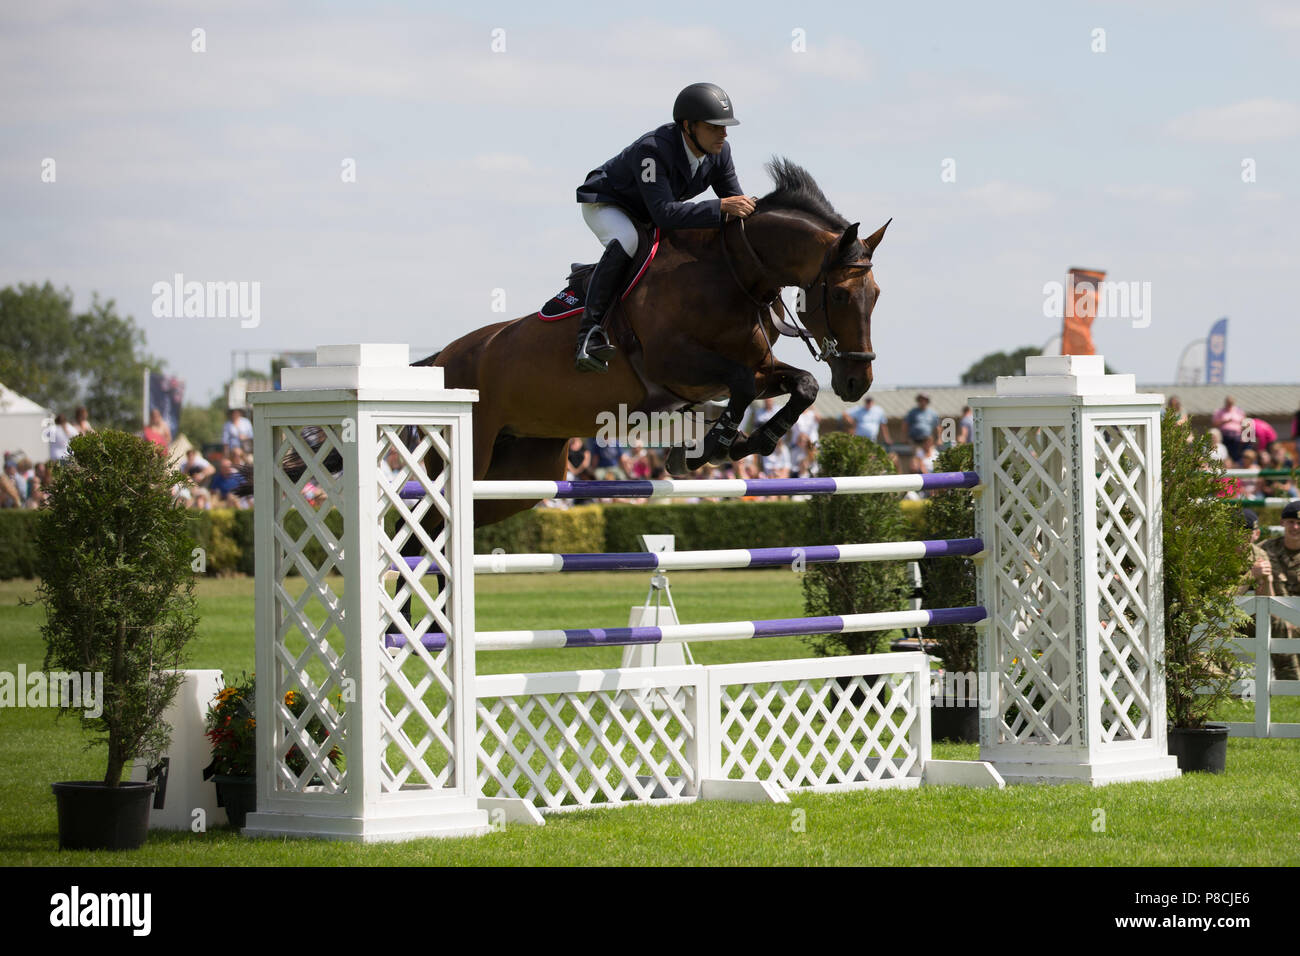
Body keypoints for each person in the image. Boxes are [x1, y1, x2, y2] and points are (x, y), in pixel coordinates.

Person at [573, 82, 754, 372]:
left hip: (647, 212)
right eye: (714, 127)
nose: (724, 134)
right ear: (689, 126)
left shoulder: (720, 153)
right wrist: (721, 208)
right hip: (607, 204)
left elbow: (735, 205)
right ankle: (589, 335)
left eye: (725, 127)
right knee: (628, 240)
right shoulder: (653, 150)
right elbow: (665, 215)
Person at [1258, 500, 1300, 681]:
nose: (1296, 527)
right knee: (1280, 624)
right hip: (1273, 615)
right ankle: (1290, 679)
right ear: (1282, 522)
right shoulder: (1265, 550)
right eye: (1291, 521)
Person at [1212, 396, 1246, 464]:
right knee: (1225, 453)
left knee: (1236, 454)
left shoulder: (1239, 411)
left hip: (1236, 436)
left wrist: (1244, 435)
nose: (1229, 404)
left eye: (1231, 403)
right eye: (1228, 402)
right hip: (1225, 435)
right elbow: (1214, 423)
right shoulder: (1220, 411)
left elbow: (1244, 424)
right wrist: (1224, 421)